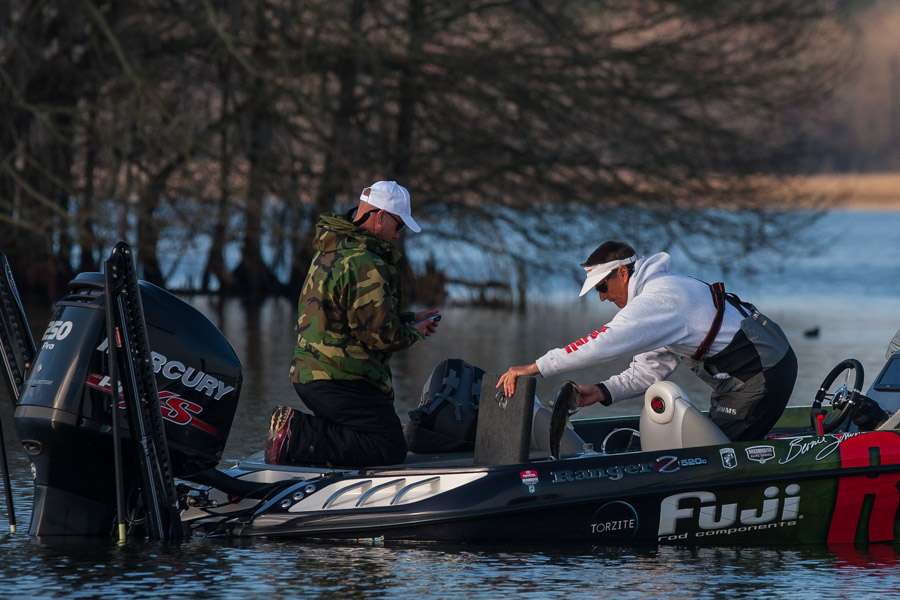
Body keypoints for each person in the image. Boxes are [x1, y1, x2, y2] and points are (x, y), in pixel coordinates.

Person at [496, 241, 797, 441]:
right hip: (746, 373)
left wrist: (535, 367)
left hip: (763, 371)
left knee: (714, 454)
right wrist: (601, 392)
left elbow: (601, 342)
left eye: (602, 287)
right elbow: (648, 372)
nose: (602, 297)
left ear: (623, 273)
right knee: (705, 445)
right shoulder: (657, 302)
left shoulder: (659, 299)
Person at [265, 180, 440, 467]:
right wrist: (413, 332)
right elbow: (380, 335)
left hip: (311, 373)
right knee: (388, 446)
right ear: (380, 217)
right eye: (399, 227)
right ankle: (294, 435)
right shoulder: (365, 262)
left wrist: (409, 319)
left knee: (362, 436)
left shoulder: (334, 250)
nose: (399, 236)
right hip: (341, 378)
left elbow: (352, 318)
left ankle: (309, 451)